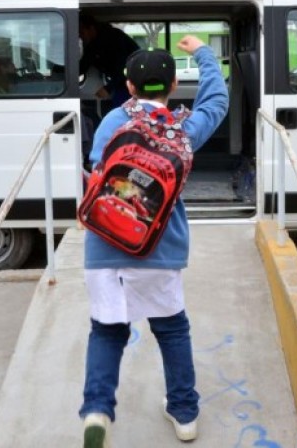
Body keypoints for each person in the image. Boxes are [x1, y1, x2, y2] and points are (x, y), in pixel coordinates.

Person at [79, 35, 228, 447]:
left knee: (107, 331)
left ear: (129, 86)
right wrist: (203, 53)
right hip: (159, 249)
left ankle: (97, 410)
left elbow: (97, 172)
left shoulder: (113, 122)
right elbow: (217, 101)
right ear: (174, 85)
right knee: (172, 329)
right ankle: (184, 414)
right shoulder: (184, 129)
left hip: (104, 246)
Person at [79, 14, 141, 107]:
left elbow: (122, 67)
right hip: (119, 80)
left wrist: (108, 88)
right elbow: (83, 65)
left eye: (82, 32)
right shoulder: (92, 45)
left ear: (91, 28)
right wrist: (61, 70)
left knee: (122, 107)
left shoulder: (114, 38)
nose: (80, 36)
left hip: (133, 79)